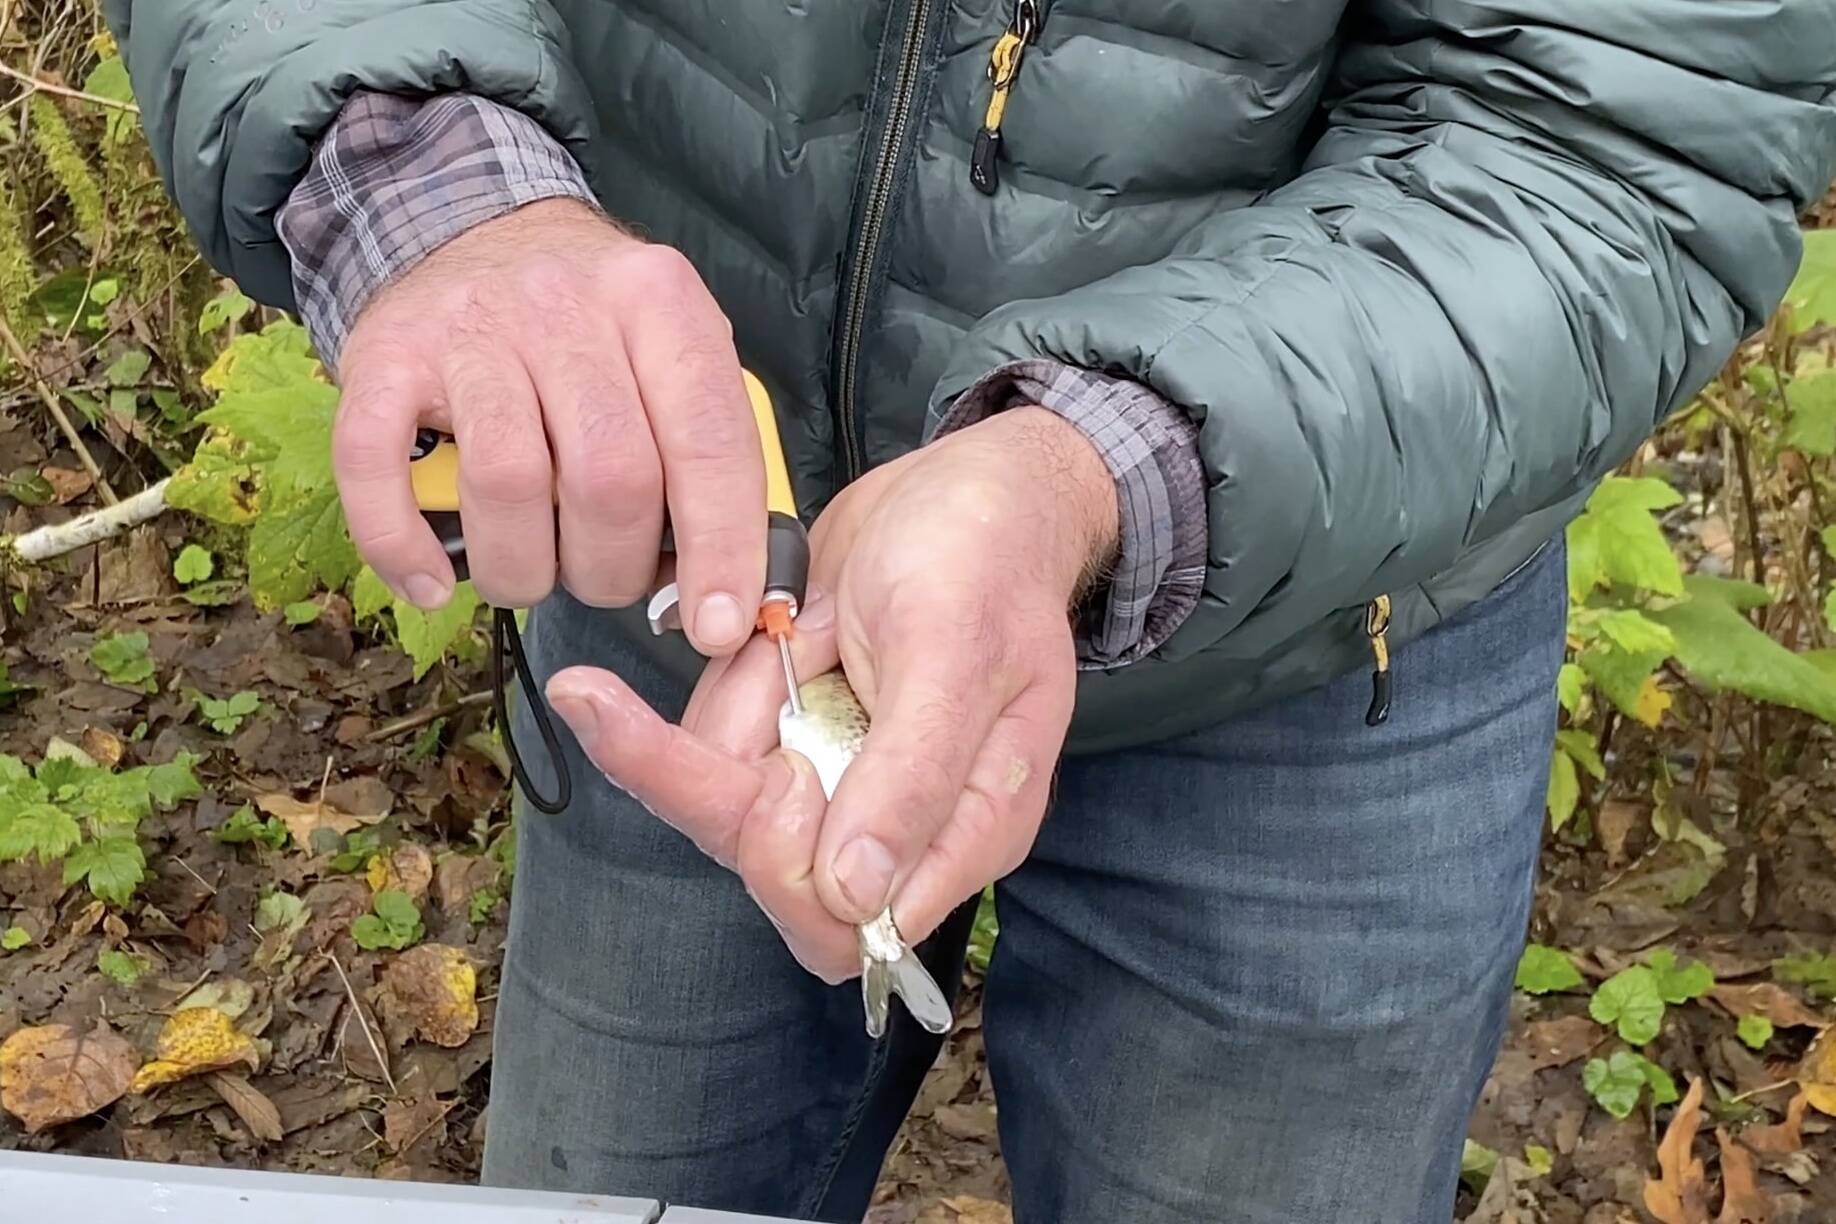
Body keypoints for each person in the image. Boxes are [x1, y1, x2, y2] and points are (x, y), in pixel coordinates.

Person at [109, 2, 1836, 1220]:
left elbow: (1617, 121)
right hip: (702, 588)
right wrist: (438, 193)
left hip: (1323, 650)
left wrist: (1088, 470)